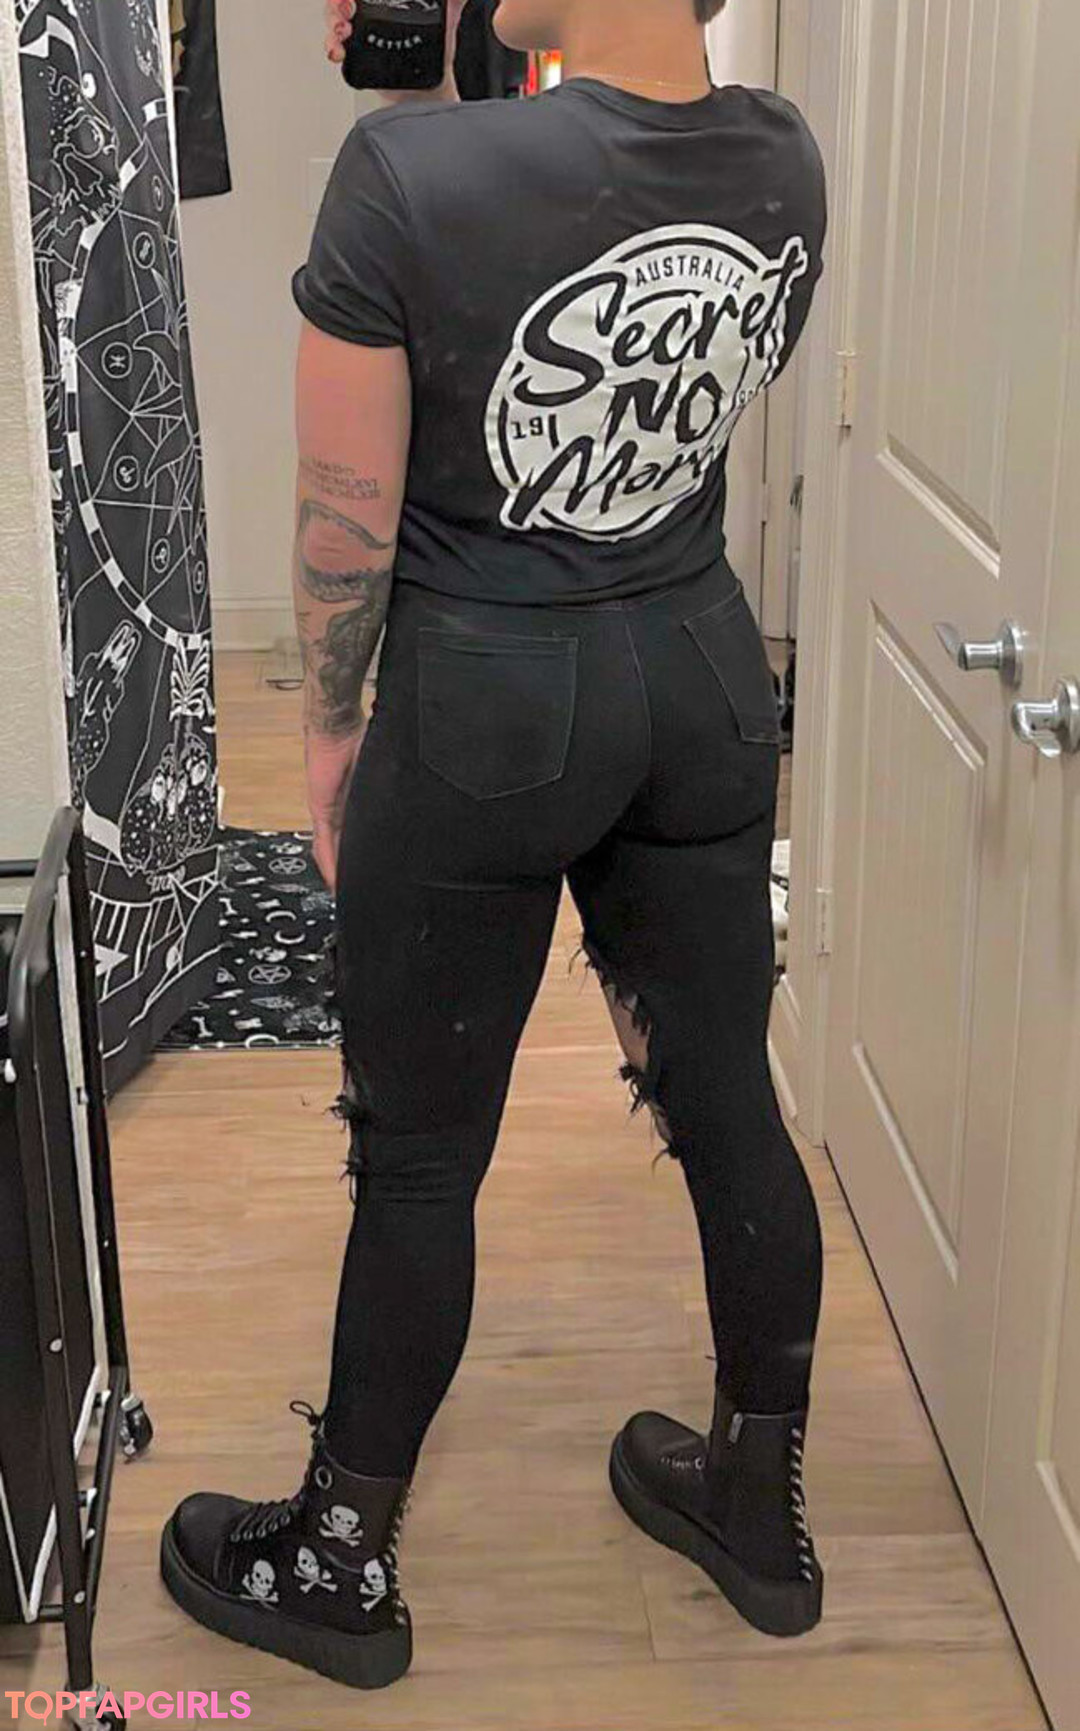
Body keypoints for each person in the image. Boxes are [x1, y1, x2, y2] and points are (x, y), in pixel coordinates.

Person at [159, 0, 828, 1689]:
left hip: (490, 708)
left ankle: (337, 1560)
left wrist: (327, 739)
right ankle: (760, 1507)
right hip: (698, 676)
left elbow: (347, 520)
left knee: (421, 1157)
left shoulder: (407, 176)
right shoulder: (784, 160)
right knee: (730, 1099)